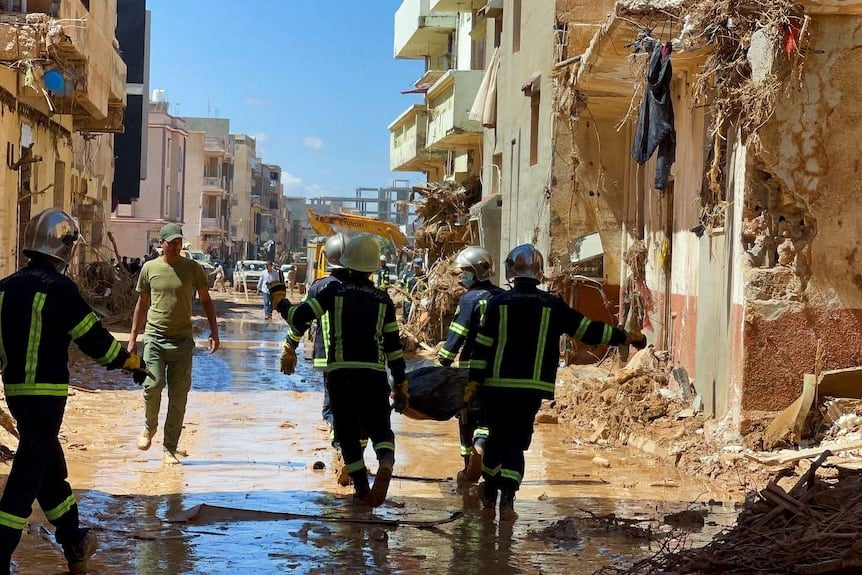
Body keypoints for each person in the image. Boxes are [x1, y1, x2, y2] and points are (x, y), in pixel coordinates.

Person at [0, 208, 150, 575]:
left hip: (16, 395)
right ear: (63, 248)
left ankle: (74, 540)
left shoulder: (3, 289)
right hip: (47, 397)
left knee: (50, 469)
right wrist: (130, 363)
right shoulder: (61, 289)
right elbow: (94, 340)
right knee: (27, 473)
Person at [467, 244, 647, 522]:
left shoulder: (496, 304)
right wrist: (624, 336)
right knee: (516, 443)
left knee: (497, 438)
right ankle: (508, 502)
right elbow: (588, 330)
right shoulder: (552, 305)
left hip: (496, 387)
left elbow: (481, 348)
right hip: (530, 390)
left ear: (511, 270)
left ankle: (489, 492)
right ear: (540, 272)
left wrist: (473, 384)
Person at [275, 233, 408, 506]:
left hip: (340, 373)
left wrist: (280, 301)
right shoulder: (383, 298)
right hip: (374, 373)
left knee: (347, 433)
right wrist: (401, 384)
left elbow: (299, 318)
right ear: (373, 266)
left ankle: (361, 489)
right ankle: (385, 460)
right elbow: (394, 348)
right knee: (380, 428)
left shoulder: (331, 291)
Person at [128, 222, 220, 465]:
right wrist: (133, 339)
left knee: (178, 397)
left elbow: (207, 301)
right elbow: (142, 304)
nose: (177, 246)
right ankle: (149, 427)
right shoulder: (149, 268)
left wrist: (214, 332)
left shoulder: (193, 269)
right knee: (153, 385)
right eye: (172, 242)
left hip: (182, 342)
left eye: (180, 242)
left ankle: (170, 448)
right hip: (155, 338)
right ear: (162, 243)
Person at [438, 246, 504, 484]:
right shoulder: (502, 296)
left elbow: (458, 332)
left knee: (466, 415)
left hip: (470, 367)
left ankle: (468, 466)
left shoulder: (469, 299)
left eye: (465, 271)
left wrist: (443, 360)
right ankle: (487, 458)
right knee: (489, 417)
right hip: (498, 369)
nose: (461, 276)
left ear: (477, 272)